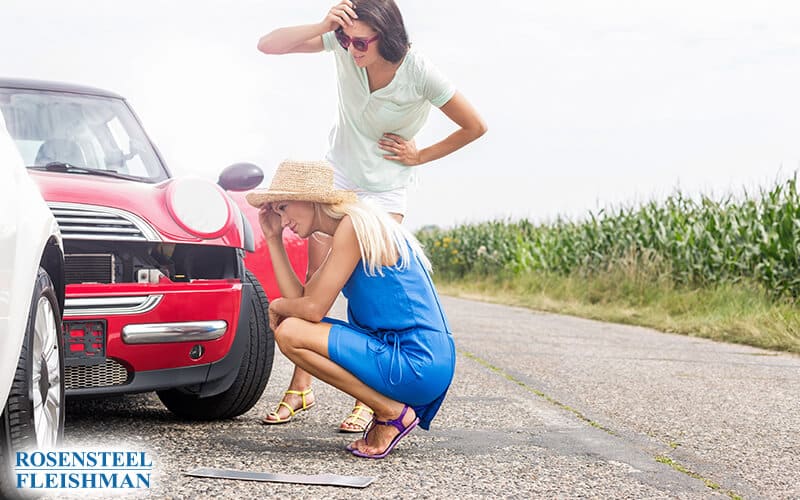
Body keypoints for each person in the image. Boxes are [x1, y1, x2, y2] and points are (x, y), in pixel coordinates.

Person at [257, 0, 486, 432]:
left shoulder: (419, 70)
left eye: (360, 41)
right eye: (345, 39)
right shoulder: (343, 43)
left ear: (388, 35)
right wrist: (325, 26)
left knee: (367, 285)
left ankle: (371, 398)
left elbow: (475, 126)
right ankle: (300, 386)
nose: (351, 47)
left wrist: (419, 156)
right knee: (316, 285)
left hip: (383, 188)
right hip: (339, 176)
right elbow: (268, 45)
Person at [246, 159, 456, 458]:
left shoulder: (356, 226)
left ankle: (390, 413)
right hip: (411, 358)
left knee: (290, 331)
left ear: (310, 200)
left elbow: (311, 310)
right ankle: (388, 410)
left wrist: (276, 305)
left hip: (417, 361)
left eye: (284, 207)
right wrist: (273, 239)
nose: (282, 219)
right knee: (291, 327)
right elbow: (303, 301)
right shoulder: (349, 228)